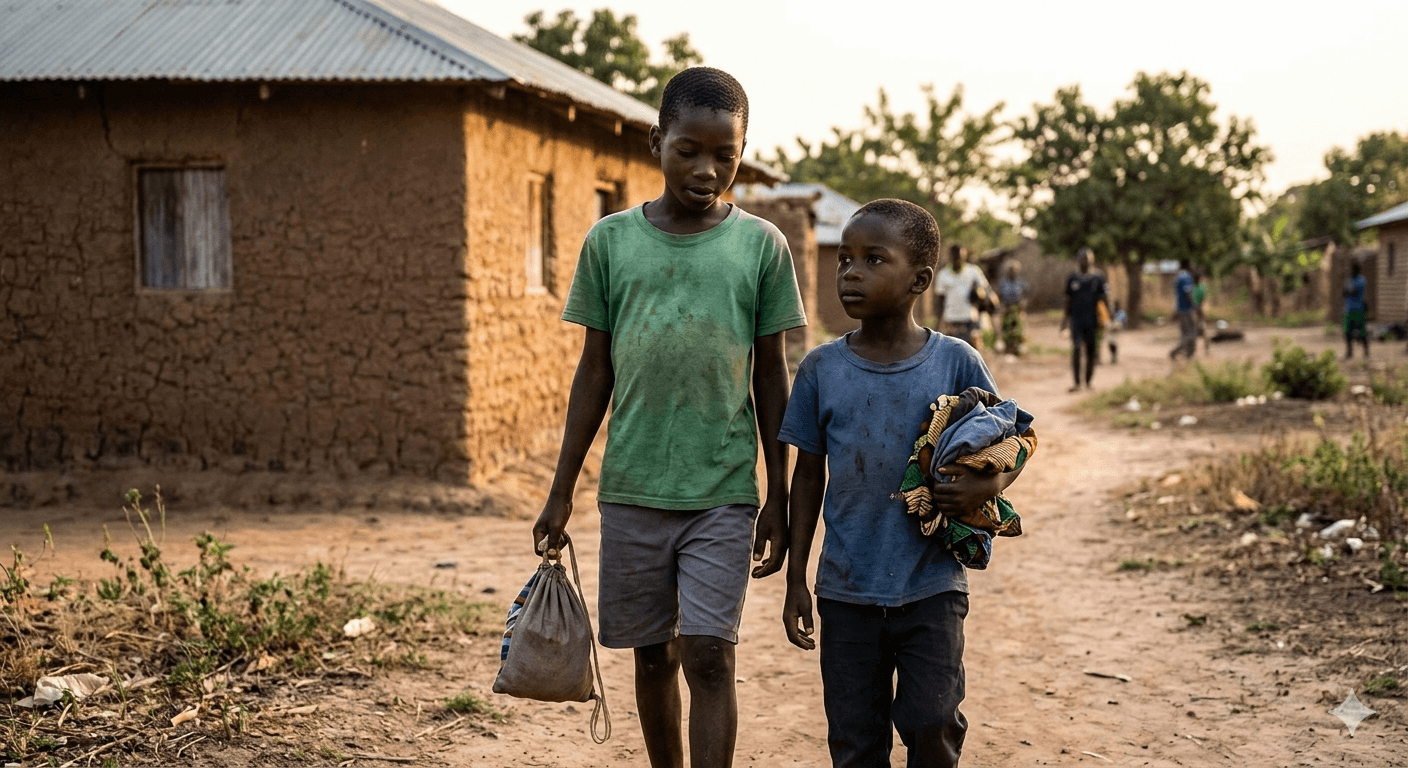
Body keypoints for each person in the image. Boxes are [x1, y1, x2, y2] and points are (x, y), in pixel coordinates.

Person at [531, 67, 806, 768]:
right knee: (653, 656)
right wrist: (561, 490)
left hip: (722, 490)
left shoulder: (762, 247)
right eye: (688, 150)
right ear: (657, 142)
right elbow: (595, 373)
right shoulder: (610, 242)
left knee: (710, 653)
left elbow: (770, 376)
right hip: (633, 489)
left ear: (743, 153)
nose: (707, 170)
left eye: (725, 155)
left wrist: (777, 494)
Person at [779, 199, 1030, 768]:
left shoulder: (956, 362)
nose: (851, 272)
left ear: (920, 280)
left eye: (873, 259)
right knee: (854, 739)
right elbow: (807, 477)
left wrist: (989, 486)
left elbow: (1011, 440)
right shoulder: (821, 369)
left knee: (932, 721)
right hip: (846, 589)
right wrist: (796, 578)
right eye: (844, 260)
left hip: (931, 585)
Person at [1060, 247, 1108, 391]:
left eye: (1088, 258)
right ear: (1078, 260)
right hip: (1076, 320)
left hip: (1093, 320)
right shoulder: (1072, 278)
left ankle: (1088, 382)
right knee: (1076, 349)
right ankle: (1076, 383)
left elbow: (1104, 300)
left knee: (1091, 351)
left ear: (1092, 260)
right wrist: (1064, 322)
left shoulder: (1098, 278)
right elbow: (1068, 301)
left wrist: (1108, 318)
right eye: (1082, 258)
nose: (1085, 261)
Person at [935, 244, 991, 349]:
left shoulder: (974, 271)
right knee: (952, 351)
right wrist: (938, 323)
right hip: (951, 319)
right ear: (950, 257)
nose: (958, 261)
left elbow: (985, 290)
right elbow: (940, 300)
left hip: (970, 318)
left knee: (972, 352)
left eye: (961, 257)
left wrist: (979, 295)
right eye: (956, 258)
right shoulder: (943, 275)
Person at [997, 259, 1030, 355]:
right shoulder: (1003, 283)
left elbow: (1028, 295)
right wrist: (1002, 307)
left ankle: (1022, 346)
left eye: (1015, 270)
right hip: (1006, 308)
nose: (1013, 272)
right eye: (1011, 270)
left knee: (1021, 325)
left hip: (1018, 308)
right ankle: (1004, 345)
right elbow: (999, 296)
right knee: (1003, 325)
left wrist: (1023, 304)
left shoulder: (1022, 282)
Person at [1169, 259, 1197, 360]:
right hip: (1186, 309)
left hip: (1180, 308)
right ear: (1188, 265)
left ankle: (1189, 353)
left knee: (1185, 332)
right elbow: (1187, 293)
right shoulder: (1186, 276)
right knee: (1192, 332)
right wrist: (1194, 305)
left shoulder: (1178, 276)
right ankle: (1178, 350)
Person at [1344, 260, 1370, 359]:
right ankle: (1349, 352)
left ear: (1356, 270)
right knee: (1347, 332)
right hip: (1349, 309)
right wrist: (1348, 291)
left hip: (1358, 309)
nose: (1350, 271)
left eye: (1352, 269)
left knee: (1362, 332)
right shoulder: (1348, 280)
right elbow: (1344, 293)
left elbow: (1353, 292)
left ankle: (1366, 351)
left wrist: (1348, 291)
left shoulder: (1361, 280)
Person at [1192, 269, 1210, 355]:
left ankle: (1193, 350)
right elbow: (1203, 300)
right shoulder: (1202, 288)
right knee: (1203, 330)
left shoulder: (1191, 288)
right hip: (1199, 310)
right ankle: (1206, 349)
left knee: (1193, 330)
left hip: (1193, 311)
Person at [1107, 300, 1127, 364]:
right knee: (1111, 343)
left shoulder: (1121, 313)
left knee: (1114, 343)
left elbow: (1123, 321)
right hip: (1112, 329)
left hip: (1117, 329)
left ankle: (1114, 356)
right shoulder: (1113, 312)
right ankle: (1113, 356)